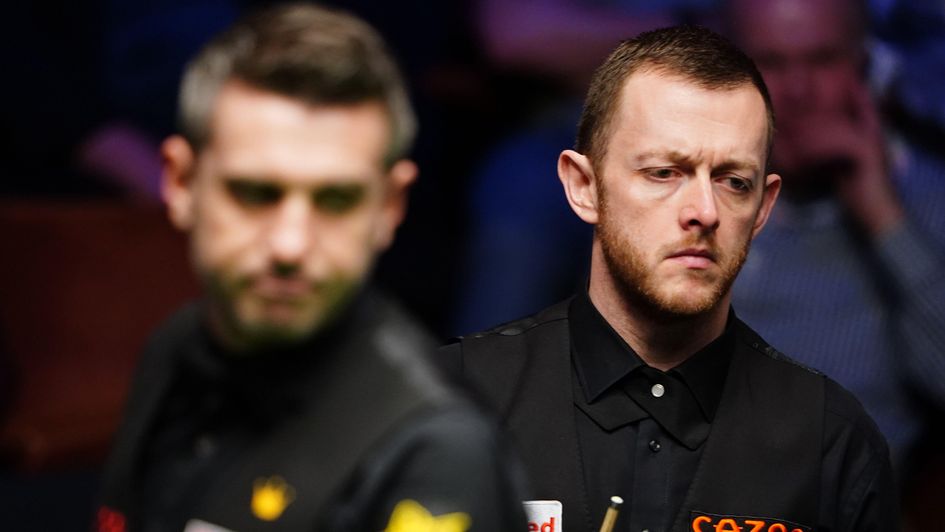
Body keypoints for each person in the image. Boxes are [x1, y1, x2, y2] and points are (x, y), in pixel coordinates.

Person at [441, 25, 898, 532]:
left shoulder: (829, 441)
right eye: (664, 173)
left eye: (733, 181)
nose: (704, 211)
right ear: (583, 186)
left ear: (763, 208)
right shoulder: (458, 400)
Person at [96, 4, 525, 531]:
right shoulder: (173, 346)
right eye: (254, 193)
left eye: (336, 199)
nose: (291, 245)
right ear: (182, 183)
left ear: (389, 207)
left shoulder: (434, 450)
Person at [726, 0, 945, 476]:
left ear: (869, 67)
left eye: (823, 60)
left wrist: (882, 216)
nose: (799, 91)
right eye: (772, 63)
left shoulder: (925, 201)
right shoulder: (677, 197)